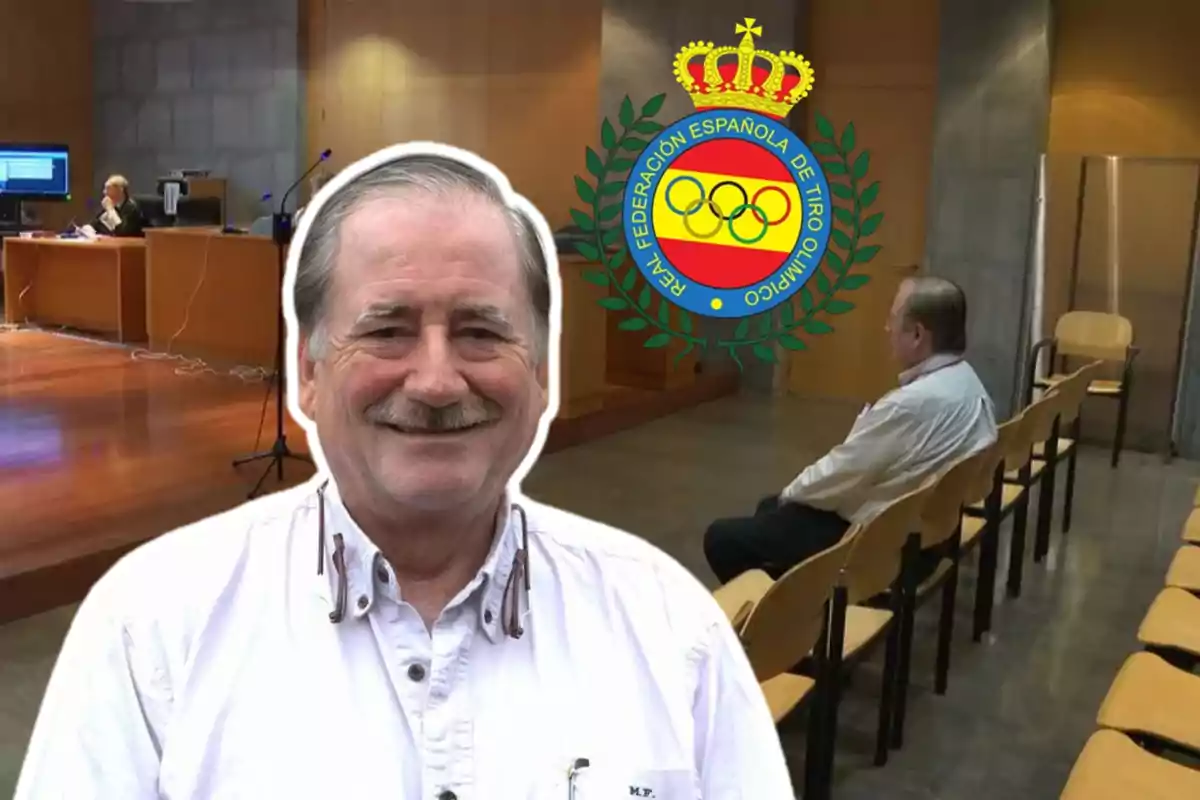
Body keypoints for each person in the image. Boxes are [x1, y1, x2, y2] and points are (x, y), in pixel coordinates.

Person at [14, 145, 793, 799]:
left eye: (481, 331)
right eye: (385, 330)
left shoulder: (671, 629)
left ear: (543, 373)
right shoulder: (149, 629)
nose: (435, 381)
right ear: (307, 373)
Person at [704, 276, 998, 585]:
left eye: (893, 318)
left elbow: (843, 470)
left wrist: (790, 494)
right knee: (769, 509)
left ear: (916, 334)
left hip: (879, 551)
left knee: (723, 538)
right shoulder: (972, 387)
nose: (887, 328)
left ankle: (791, 616)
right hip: (928, 537)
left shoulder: (911, 404)